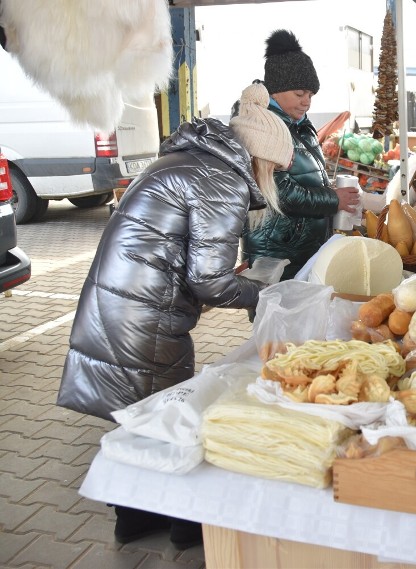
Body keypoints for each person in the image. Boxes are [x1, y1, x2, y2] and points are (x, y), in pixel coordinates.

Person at [56, 82, 295, 548]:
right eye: (274, 170)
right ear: (259, 159)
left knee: (140, 417)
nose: (273, 181)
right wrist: (266, 293)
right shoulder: (221, 180)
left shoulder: (191, 161)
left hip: (121, 303)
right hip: (145, 315)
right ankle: (187, 526)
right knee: (170, 418)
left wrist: (234, 277)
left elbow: (187, 259)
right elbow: (209, 281)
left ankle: (136, 519)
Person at [242, 29, 359, 281]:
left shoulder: (300, 126)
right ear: (275, 90)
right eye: (299, 94)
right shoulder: (261, 127)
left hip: (300, 248)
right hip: (277, 253)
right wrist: (332, 200)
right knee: (277, 316)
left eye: (310, 95)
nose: (307, 102)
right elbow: (277, 191)